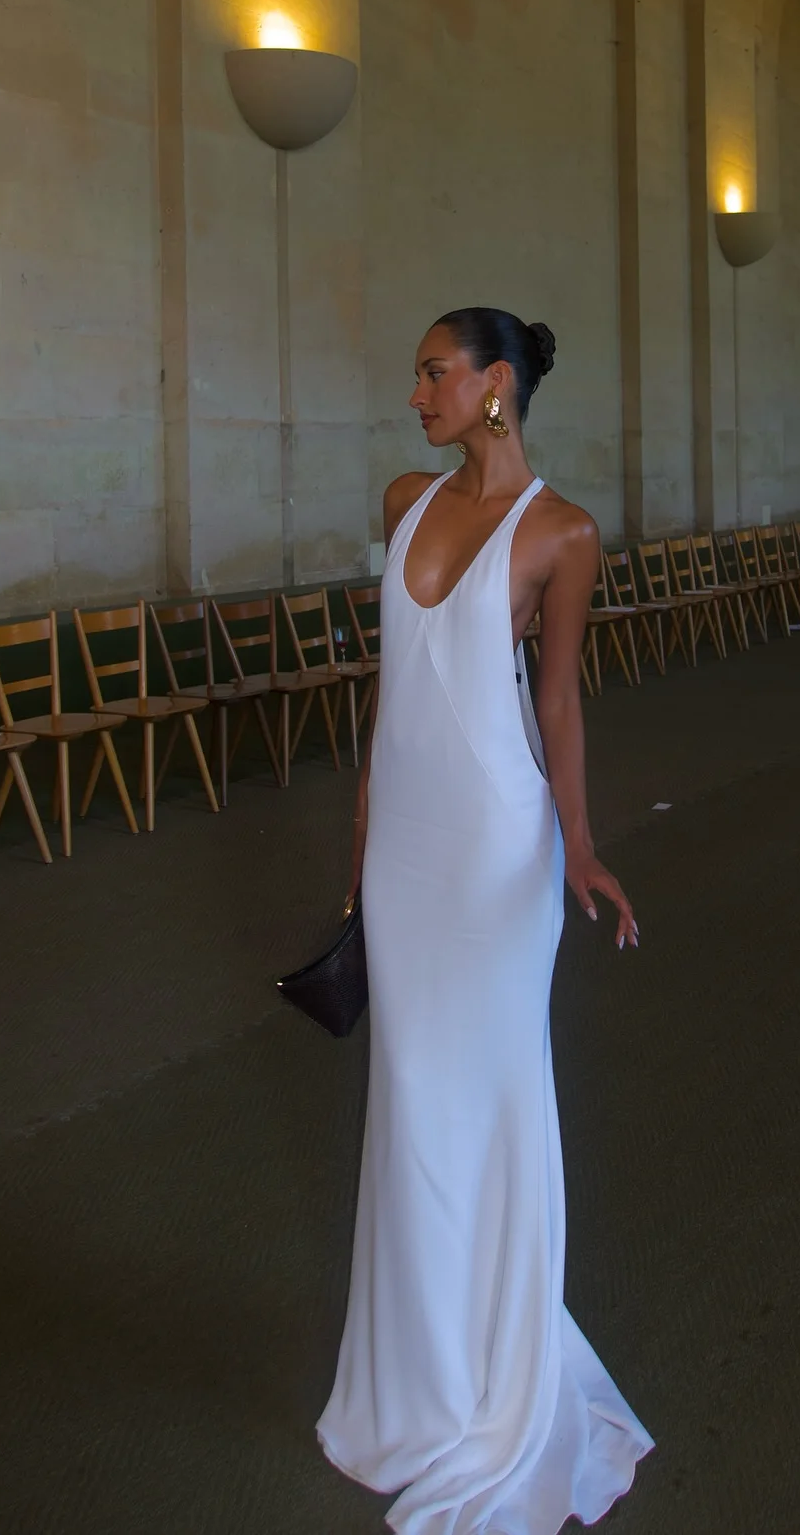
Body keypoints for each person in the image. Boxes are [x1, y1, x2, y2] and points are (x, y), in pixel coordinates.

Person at [316, 307, 654, 1534]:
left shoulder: (563, 530)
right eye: (416, 374)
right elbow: (391, 688)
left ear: (494, 385)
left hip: (499, 850)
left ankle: (501, 1388)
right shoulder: (406, 494)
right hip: (406, 847)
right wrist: (361, 854)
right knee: (411, 1102)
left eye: (433, 373)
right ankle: (419, 1382)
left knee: (498, 1099)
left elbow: (558, 705)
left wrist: (580, 844)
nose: (416, 395)